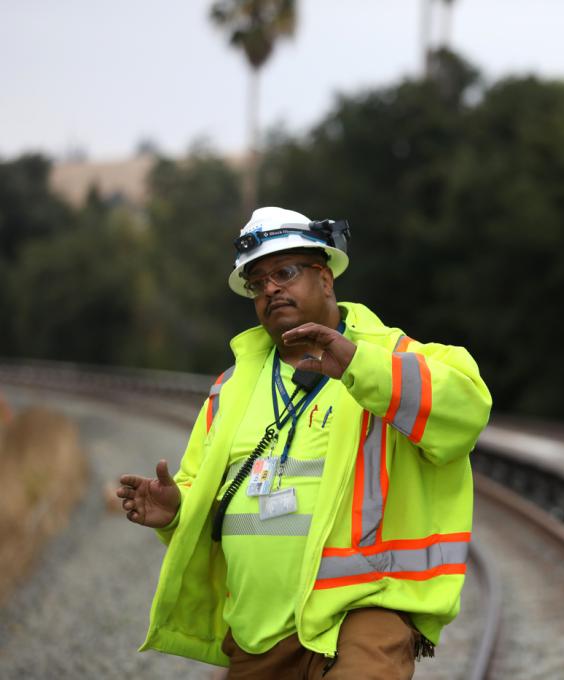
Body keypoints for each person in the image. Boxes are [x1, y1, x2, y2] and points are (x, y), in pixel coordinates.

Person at [117, 207, 492, 679]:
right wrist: (175, 511)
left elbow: (468, 413)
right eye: (257, 283)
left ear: (325, 278)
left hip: (365, 611)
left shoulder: (395, 358)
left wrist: (359, 366)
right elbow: (206, 494)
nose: (270, 288)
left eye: (284, 272)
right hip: (260, 629)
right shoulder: (229, 389)